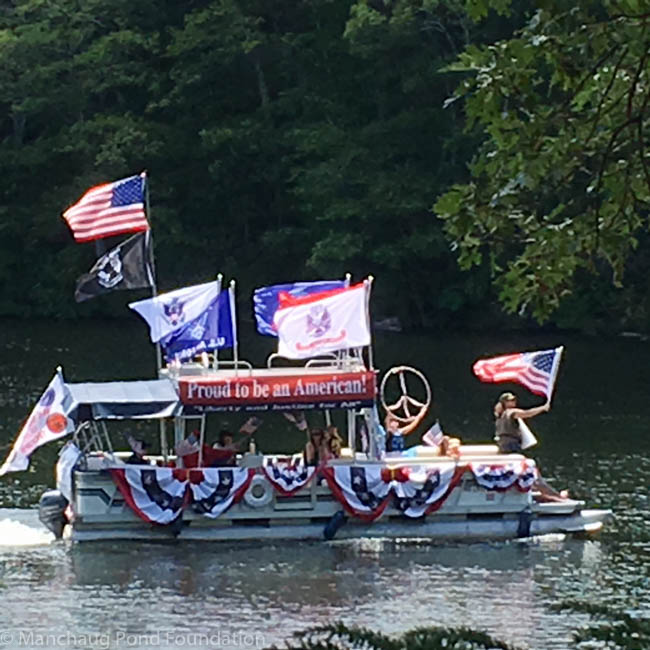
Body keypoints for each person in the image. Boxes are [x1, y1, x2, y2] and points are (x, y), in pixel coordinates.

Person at [494, 391, 569, 502]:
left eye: (514, 399)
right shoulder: (511, 413)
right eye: (510, 400)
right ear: (504, 403)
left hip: (503, 447)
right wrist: (543, 408)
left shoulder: (500, 416)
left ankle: (539, 494)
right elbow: (528, 413)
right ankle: (555, 496)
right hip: (512, 447)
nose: (513, 402)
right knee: (530, 471)